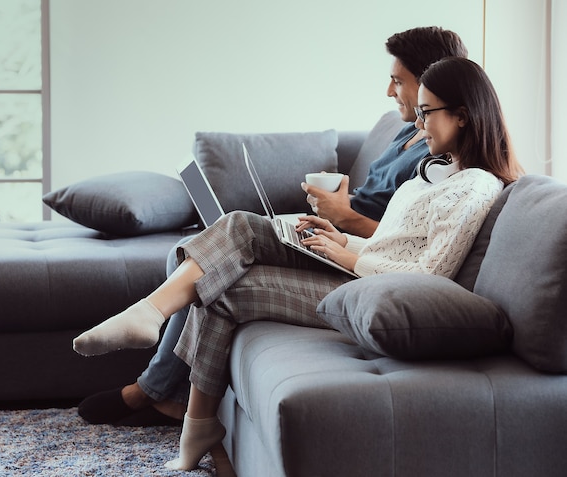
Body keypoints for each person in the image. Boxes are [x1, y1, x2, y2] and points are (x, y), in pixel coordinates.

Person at [72, 56, 523, 474]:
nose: (418, 124)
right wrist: (340, 238)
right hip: (356, 269)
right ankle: (175, 373)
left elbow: (430, 276)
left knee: (227, 277)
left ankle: (176, 376)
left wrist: (347, 256)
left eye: (427, 112)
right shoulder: (438, 171)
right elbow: (394, 244)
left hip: (366, 293)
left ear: (463, 115)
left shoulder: (475, 187)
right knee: (238, 231)